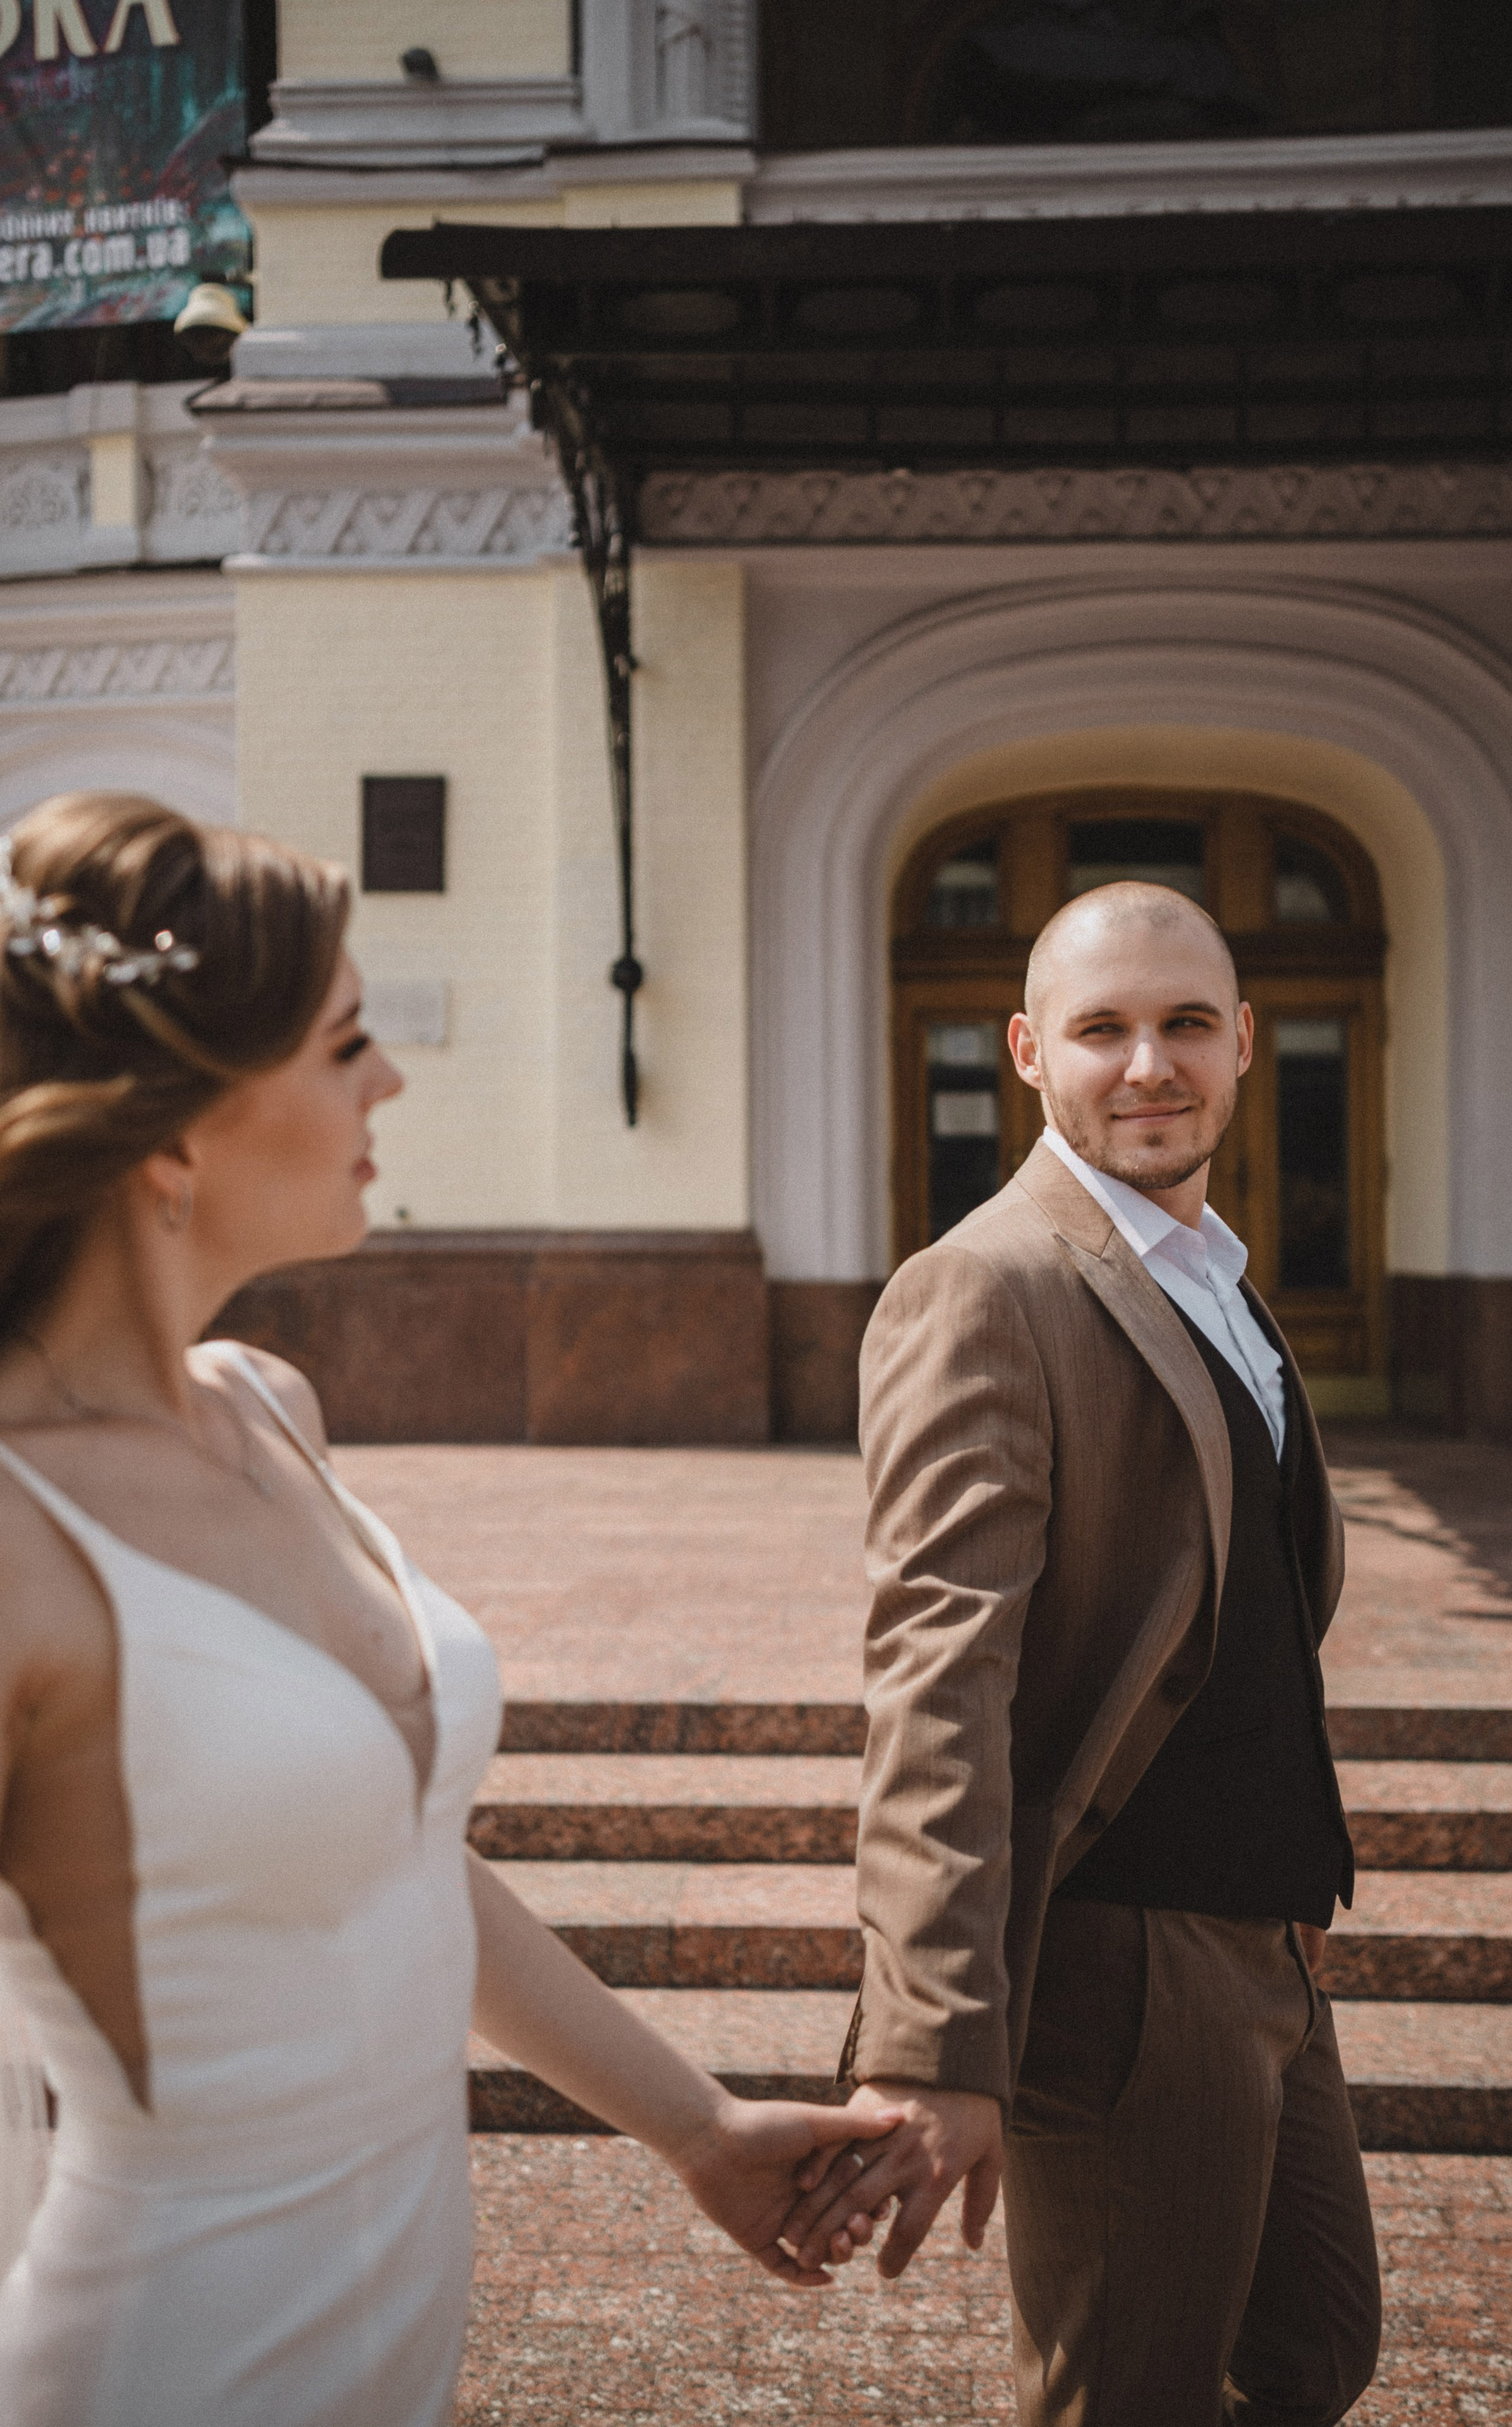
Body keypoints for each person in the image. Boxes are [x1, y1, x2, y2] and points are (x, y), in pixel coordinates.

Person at [0, 791, 898, 2427]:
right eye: (346, 1046)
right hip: (158, 2363)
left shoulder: (270, 1407)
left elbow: (398, 1853)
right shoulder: (16, 1532)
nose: (392, 1081)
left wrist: (694, 2128)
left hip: (398, 2340)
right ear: (177, 1137)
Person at [783, 881, 1382, 2426]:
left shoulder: (1218, 1281)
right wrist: (931, 2039)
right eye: (1101, 1029)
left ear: (1244, 1043)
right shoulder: (985, 1286)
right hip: (1118, 1961)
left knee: (1312, 2353)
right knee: (1128, 2396)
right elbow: (936, 1677)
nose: (1147, 1065)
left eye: (1184, 1024)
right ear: (1027, 1052)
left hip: (1260, 1934)